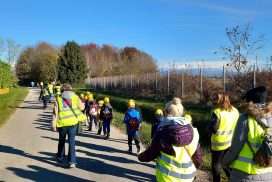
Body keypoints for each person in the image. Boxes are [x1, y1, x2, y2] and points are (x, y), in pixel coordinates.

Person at [138, 97, 202, 182]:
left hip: (167, 177)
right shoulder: (193, 131)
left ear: (166, 112)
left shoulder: (162, 131)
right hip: (188, 177)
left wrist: (140, 157)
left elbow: (151, 153)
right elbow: (198, 158)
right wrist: (193, 169)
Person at [222, 86, 272, 182]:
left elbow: (235, 148)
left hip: (245, 174)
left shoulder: (245, 119)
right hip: (269, 173)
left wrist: (224, 162)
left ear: (250, 102)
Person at [51, 83, 86, 168]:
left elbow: (55, 113)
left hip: (62, 123)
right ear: (70, 89)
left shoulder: (58, 98)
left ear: (62, 90)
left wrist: (53, 124)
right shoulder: (75, 97)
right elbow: (82, 108)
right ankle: (72, 161)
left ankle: (60, 157)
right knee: (72, 142)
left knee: (61, 140)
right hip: (73, 123)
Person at [207, 93, 239, 182]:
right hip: (230, 141)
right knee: (227, 164)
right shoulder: (235, 110)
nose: (214, 101)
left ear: (219, 100)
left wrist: (208, 128)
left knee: (216, 165)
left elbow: (213, 128)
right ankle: (232, 179)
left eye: (216, 99)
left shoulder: (217, 112)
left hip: (218, 143)